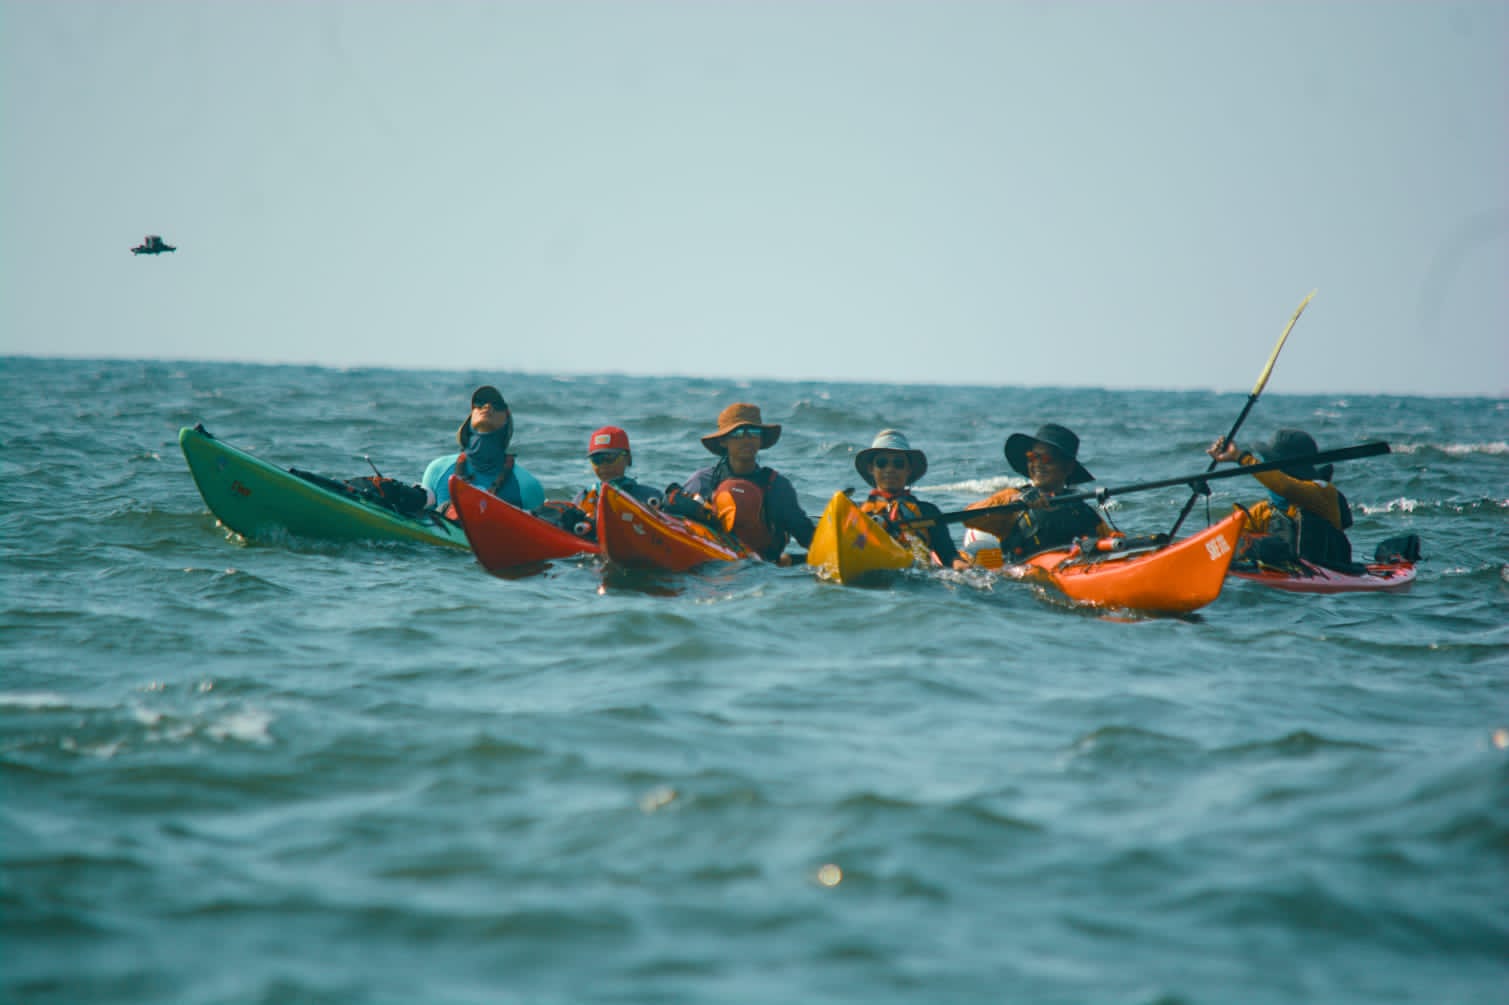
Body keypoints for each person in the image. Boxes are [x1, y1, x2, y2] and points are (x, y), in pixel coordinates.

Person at [682, 402, 815, 565]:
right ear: (724, 441)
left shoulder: (776, 486)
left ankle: (786, 561)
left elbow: (806, 535)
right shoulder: (703, 481)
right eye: (737, 433)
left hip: (763, 569)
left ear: (760, 439)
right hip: (713, 564)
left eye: (753, 432)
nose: (746, 439)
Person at [963, 423, 1116, 562]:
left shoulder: (1082, 510)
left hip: (1074, 569)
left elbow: (1114, 539)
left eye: (1047, 459)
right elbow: (968, 517)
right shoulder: (1013, 498)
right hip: (1022, 578)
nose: (1037, 464)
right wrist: (1015, 501)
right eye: (1033, 457)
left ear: (1068, 467)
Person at [1207, 427, 1355, 570]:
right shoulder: (1265, 510)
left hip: (1328, 571)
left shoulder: (1322, 491)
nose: (1265, 465)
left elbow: (1287, 487)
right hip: (1289, 570)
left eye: (1269, 462)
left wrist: (1240, 457)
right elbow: (1228, 536)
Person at [853, 429, 970, 571]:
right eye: (882, 463)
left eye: (898, 463)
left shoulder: (928, 512)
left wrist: (962, 567)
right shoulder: (855, 512)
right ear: (871, 468)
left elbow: (949, 555)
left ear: (908, 470)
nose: (890, 469)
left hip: (916, 577)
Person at [422, 385, 544, 516]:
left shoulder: (527, 485)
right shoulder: (438, 470)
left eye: (497, 405)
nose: (487, 406)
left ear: (507, 421)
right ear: (470, 418)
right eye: (479, 403)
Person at [537, 426, 666, 539]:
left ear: (628, 458)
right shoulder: (584, 497)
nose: (603, 465)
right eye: (596, 460)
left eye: (609, 458)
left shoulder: (649, 495)